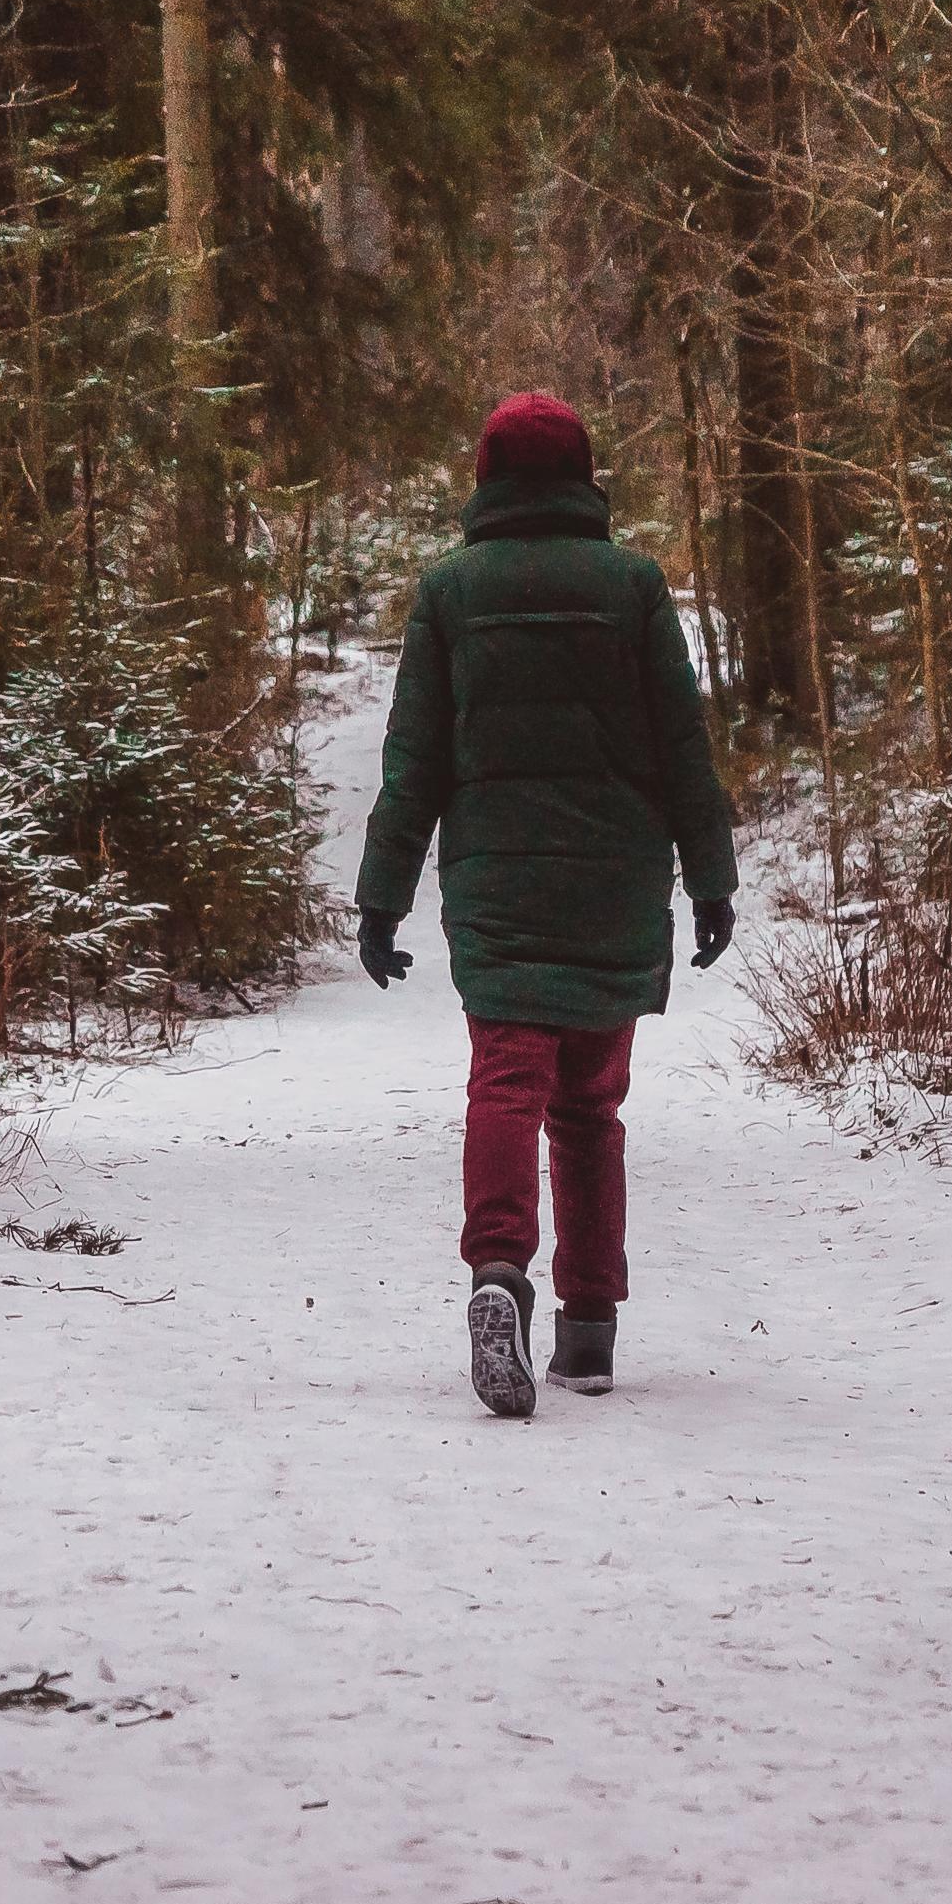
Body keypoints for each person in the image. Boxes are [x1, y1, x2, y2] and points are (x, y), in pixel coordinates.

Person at [354, 391, 741, 1418]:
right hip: (612, 880)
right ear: (579, 474)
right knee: (589, 1108)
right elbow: (681, 749)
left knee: (505, 1081)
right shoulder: (632, 587)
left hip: (496, 885)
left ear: (485, 475)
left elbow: (414, 764)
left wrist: (380, 899)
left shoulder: (449, 591)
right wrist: (710, 879)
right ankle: (589, 1328)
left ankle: (495, 1273)